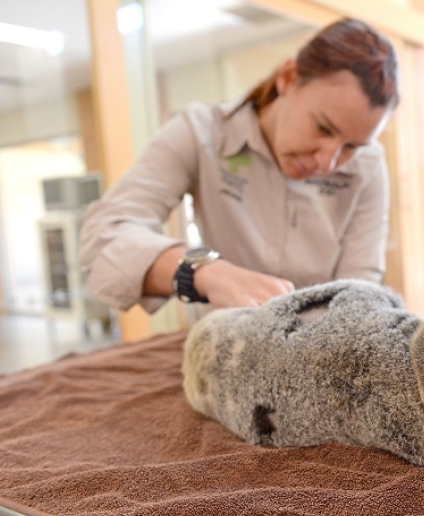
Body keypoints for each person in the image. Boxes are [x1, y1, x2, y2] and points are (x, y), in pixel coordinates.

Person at [79, 18, 400, 315]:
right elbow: (104, 239)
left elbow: (359, 293)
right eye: (323, 128)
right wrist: (205, 272)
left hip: (320, 357)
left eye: (351, 147)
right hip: (226, 352)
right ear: (287, 78)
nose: (327, 161)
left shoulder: (368, 167)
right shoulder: (201, 133)